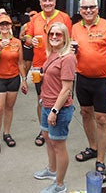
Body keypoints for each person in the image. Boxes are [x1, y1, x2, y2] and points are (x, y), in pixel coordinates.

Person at [70, 0, 106, 184]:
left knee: (101, 118)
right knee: (85, 113)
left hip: (101, 81)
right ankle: (92, 147)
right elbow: (68, 50)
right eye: (84, 8)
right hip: (82, 78)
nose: (88, 10)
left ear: (98, 8)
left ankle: (100, 159)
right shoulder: (75, 27)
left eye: (92, 7)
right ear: (80, 10)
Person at [31, 22, 76, 193]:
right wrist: (43, 75)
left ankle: (60, 184)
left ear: (65, 37)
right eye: (51, 34)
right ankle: (51, 170)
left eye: (59, 34)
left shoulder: (68, 57)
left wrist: (55, 111)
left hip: (59, 108)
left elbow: (66, 89)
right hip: (46, 103)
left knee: (59, 145)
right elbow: (55, 77)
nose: (54, 37)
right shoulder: (52, 53)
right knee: (48, 138)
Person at [24, 0, 72, 147]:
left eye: (50, 0)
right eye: (44, 0)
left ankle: (58, 126)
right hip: (40, 65)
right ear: (40, 2)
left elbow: (70, 39)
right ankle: (43, 127)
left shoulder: (64, 17)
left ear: (55, 1)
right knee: (41, 99)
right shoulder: (35, 18)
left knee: (62, 94)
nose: (47, 3)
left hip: (60, 63)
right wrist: (31, 41)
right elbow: (27, 37)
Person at [0, 13, 25, 153]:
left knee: (9, 108)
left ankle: (6, 133)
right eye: (1, 24)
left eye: (7, 24)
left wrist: (24, 80)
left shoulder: (17, 42)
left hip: (14, 78)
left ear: (11, 26)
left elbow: (20, 62)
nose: (4, 26)